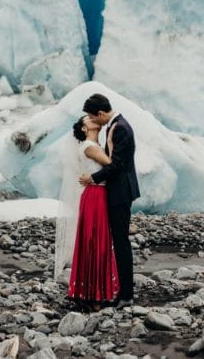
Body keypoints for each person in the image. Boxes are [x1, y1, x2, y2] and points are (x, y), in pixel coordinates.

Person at [80, 93, 140, 309]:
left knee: (121, 242)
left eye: (93, 117)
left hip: (120, 192)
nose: (93, 121)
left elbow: (118, 165)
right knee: (118, 240)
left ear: (101, 113)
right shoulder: (115, 125)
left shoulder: (121, 127)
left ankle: (126, 295)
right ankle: (122, 292)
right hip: (118, 191)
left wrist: (93, 178)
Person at [62, 115, 120, 311]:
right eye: (87, 118)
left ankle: (90, 291)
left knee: (95, 240)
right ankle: (96, 294)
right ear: (84, 129)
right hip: (96, 195)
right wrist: (112, 142)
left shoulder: (93, 145)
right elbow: (113, 165)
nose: (92, 118)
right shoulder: (89, 146)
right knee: (97, 240)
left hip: (95, 194)